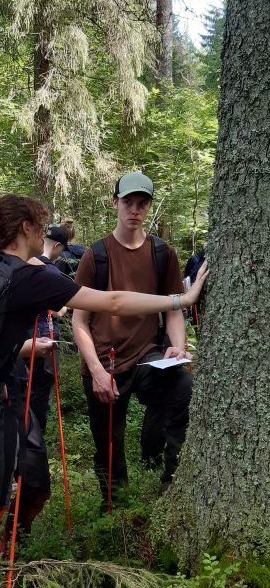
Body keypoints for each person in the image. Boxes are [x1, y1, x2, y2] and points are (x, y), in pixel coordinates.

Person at [0, 193, 206, 588]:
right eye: (43, 224)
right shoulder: (29, 275)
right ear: (28, 230)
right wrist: (182, 300)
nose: (50, 234)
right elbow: (113, 301)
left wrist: (20, 348)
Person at [73, 172, 195, 504]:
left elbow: (172, 309)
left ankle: (171, 482)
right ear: (115, 203)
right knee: (108, 445)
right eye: (128, 202)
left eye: (142, 203)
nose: (135, 210)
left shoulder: (162, 253)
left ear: (149, 207)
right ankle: (116, 509)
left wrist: (178, 346)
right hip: (103, 364)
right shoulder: (96, 255)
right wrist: (97, 371)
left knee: (182, 388)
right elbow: (80, 321)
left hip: (146, 355)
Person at [27, 224, 69, 431]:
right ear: (58, 246)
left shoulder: (24, 265)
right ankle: (35, 435)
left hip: (21, 335)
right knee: (40, 388)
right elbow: (58, 310)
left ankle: (21, 430)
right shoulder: (52, 272)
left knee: (22, 385)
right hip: (44, 333)